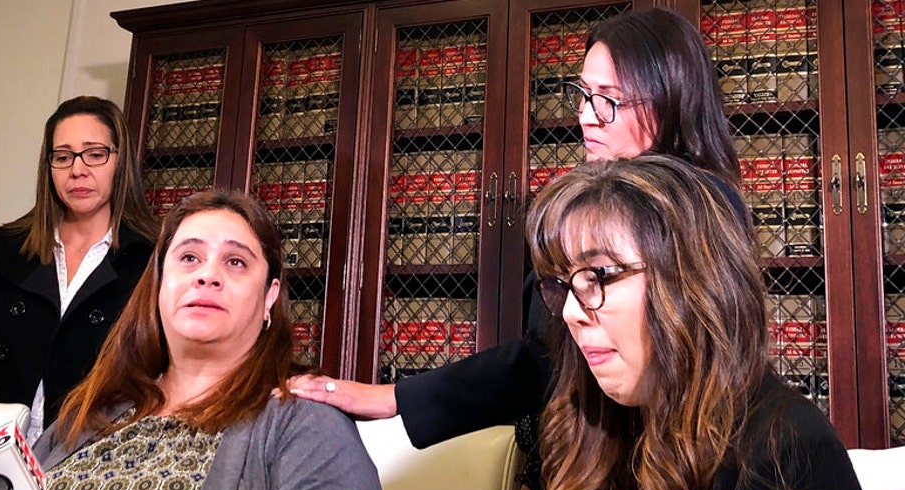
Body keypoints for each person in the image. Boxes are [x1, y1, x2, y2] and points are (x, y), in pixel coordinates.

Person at [289, 7, 743, 452]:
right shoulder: (584, 210)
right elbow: (546, 359)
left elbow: (544, 362)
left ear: (671, 98)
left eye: (608, 99)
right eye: (583, 94)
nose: (586, 116)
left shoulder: (705, 211)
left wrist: (391, 398)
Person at [519, 155, 880, 490]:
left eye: (597, 275)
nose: (574, 312)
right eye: (564, 284)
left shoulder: (791, 460)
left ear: (692, 282)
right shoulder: (605, 435)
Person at [11, 189, 381, 490]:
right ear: (160, 285)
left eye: (236, 262)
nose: (207, 276)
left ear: (269, 298)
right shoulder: (90, 413)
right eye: (188, 258)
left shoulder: (307, 426)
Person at [0, 96, 160, 444]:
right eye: (63, 156)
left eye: (95, 154)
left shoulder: (153, 257)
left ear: (120, 161)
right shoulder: (0, 252)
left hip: (99, 460)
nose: (78, 170)